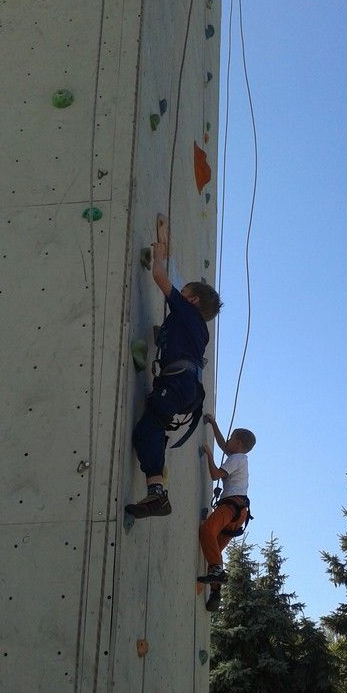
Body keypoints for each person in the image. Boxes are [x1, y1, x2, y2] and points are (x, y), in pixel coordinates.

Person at [125, 215, 221, 520]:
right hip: (185, 386)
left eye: (184, 294)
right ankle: (156, 491)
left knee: (151, 425)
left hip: (179, 382)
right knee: (146, 432)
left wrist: (159, 251)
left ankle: (159, 495)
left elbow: (161, 278)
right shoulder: (194, 327)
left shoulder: (187, 313)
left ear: (190, 300)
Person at [197, 415, 256, 611]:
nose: (227, 442)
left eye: (231, 439)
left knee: (206, 531)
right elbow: (224, 445)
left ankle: (216, 573)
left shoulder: (237, 458)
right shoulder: (239, 458)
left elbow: (215, 475)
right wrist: (213, 424)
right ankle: (215, 593)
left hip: (231, 507)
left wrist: (208, 454)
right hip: (238, 515)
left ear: (238, 444)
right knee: (213, 550)